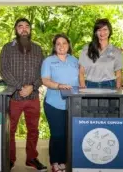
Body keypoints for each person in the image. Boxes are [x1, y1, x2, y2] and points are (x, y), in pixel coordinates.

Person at [0, 18, 47, 171]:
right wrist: (20, 87)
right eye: (20, 26)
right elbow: (4, 71)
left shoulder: (38, 49)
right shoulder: (7, 48)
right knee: (10, 130)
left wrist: (32, 87)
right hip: (14, 97)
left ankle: (31, 159)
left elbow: (44, 73)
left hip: (33, 97)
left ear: (30, 30)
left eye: (27, 26)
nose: (24, 29)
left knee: (33, 129)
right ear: (16, 29)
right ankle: (10, 159)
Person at [41, 34, 79, 172]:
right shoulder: (49, 61)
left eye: (64, 43)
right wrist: (58, 85)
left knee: (68, 134)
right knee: (57, 134)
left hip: (72, 104)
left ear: (69, 45)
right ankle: (55, 161)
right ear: (54, 46)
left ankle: (64, 161)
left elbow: (81, 80)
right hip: (53, 103)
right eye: (58, 43)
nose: (61, 46)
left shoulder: (75, 60)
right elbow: (45, 80)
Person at [79, 18, 123, 89]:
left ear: (110, 31)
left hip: (109, 86)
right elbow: (81, 72)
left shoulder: (116, 51)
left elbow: (119, 74)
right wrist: (83, 87)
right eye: (99, 30)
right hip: (90, 85)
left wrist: (118, 89)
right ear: (96, 32)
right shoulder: (87, 48)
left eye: (105, 29)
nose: (102, 32)